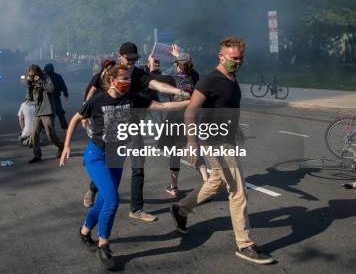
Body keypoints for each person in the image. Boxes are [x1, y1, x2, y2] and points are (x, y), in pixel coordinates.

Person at [60, 64, 190, 270]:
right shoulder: (98, 100)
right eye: (124, 79)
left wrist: (191, 102)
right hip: (96, 156)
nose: (128, 82)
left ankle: (85, 231)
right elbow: (76, 117)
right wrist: (66, 145)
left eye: (129, 79)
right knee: (112, 200)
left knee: (103, 201)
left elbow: (163, 107)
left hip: (116, 158)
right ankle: (104, 245)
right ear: (112, 80)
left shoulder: (132, 99)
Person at [170, 36, 275, 265]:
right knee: (238, 190)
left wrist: (236, 130)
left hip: (226, 138)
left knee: (216, 182)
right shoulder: (210, 80)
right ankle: (245, 244)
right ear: (221, 56)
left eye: (240, 58)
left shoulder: (232, 77)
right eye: (233, 58)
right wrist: (192, 142)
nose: (237, 62)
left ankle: (181, 208)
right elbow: (190, 111)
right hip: (214, 142)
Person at [162, 51, 207, 198]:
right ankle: (207, 184)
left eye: (176, 64)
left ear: (178, 66)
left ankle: (174, 187)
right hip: (192, 118)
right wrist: (179, 57)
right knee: (196, 152)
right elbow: (189, 68)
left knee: (175, 153)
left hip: (175, 119)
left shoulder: (170, 79)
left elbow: (154, 78)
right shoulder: (195, 77)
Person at [26, 64, 64, 164]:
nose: (32, 77)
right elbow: (29, 97)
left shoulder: (46, 78)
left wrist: (40, 81)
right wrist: (29, 85)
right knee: (34, 134)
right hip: (38, 112)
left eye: (33, 75)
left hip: (47, 111)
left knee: (50, 134)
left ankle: (61, 146)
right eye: (30, 75)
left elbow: (51, 89)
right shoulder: (33, 81)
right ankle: (37, 155)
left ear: (37, 73)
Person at [43, 63, 69, 130]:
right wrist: (65, 93)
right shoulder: (44, 77)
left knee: (59, 112)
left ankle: (65, 127)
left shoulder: (57, 76)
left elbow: (63, 85)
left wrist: (65, 93)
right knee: (47, 114)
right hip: (47, 98)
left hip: (54, 98)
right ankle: (45, 128)